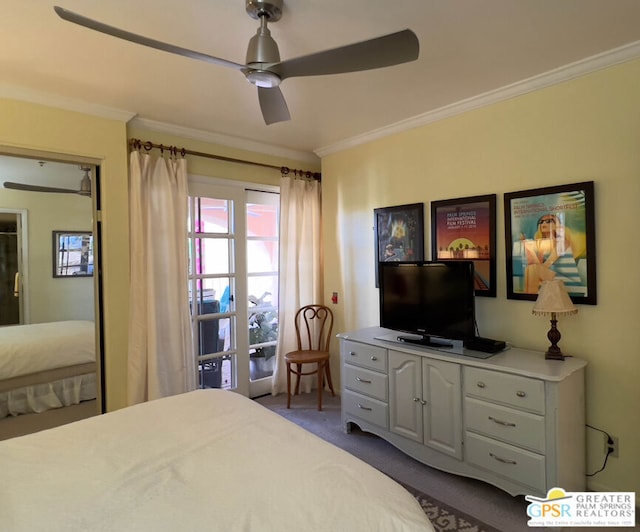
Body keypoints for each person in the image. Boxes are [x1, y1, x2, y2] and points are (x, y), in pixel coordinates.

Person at [521, 214, 586, 295]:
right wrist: (528, 248)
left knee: (532, 269)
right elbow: (535, 266)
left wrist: (530, 248)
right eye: (541, 222)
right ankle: (531, 297)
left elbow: (546, 265)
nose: (543, 223)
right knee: (530, 269)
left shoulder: (562, 242)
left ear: (557, 225)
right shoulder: (541, 244)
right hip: (551, 278)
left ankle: (530, 298)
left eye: (549, 221)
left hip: (567, 280)